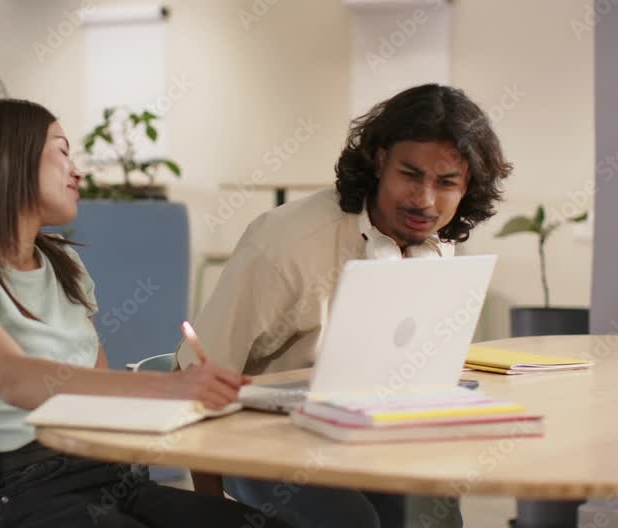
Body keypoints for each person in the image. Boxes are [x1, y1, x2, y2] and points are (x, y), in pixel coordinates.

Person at [0, 98, 292, 528]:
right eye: (61, 152)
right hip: (23, 492)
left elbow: (98, 393)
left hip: (109, 476)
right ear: (5, 163)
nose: (77, 171)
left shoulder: (65, 265)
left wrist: (197, 405)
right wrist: (168, 388)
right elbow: (12, 378)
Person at [176, 84, 513, 528]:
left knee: (434, 513)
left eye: (446, 182)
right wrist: (210, 510)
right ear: (379, 160)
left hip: (370, 429)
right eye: (410, 175)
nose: (425, 200)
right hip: (264, 438)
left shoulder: (433, 245)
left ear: (467, 186)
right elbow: (192, 378)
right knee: (354, 522)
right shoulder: (287, 243)